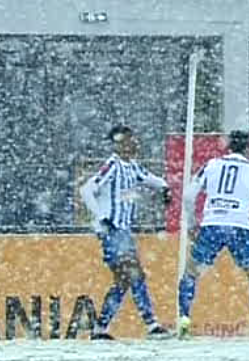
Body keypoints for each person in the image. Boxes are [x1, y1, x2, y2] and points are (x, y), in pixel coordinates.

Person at [177, 130, 249, 341]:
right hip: (239, 226)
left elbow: (189, 196)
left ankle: (184, 318)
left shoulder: (212, 165)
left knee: (191, 272)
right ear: (247, 148)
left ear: (228, 146)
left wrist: (191, 223)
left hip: (212, 224)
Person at [79, 125, 172, 340]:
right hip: (113, 231)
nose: (134, 143)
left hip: (124, 232)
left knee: (123, 281)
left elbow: (151, 179)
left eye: (134, 139)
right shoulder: (112, 165)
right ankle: (152, 324)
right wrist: (101, 218)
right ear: (119, 144)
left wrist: (165, 188)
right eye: (129, 140)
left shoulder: (133, 167)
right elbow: (86, 190)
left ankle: (100, 328)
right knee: (134, 273)